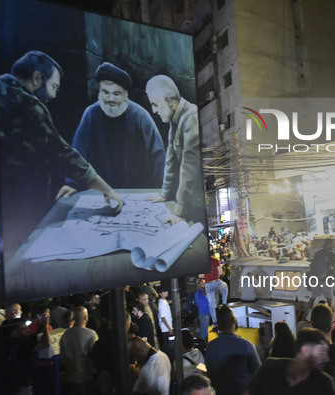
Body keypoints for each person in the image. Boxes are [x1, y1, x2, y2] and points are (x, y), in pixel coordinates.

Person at [0, 51, 124, 256]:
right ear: (38, 78)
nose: (54, 95)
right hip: (23, 211)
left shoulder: (1, 88)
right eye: (53, 86)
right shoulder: (27, 104)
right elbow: (63, 155)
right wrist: (108, 190)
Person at [65, 62, 165, 190]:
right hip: (98, 191)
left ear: (126, 94)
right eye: (106, 92)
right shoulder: (90, 114)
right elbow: (79, 153)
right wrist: (73, 184)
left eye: (116, 94)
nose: (110, 99)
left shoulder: (141, 117)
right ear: (99, 91)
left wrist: (162, 190)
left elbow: (158, 159)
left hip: (137, 192)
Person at [145, 74, 205, 224]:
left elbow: (189, 166)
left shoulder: (191, 116)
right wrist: (165, 193)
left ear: (167, 101)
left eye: (155, 104)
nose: (154, 111)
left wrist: (179, 211)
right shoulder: (175, 120)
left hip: (202, 202)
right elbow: (170, 160)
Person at [246, 328, 334, 395]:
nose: (326, 359)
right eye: (322, 352)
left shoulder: (324, 383)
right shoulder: (270, 368)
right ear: (306, 350)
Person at [205, 305, 261, 395]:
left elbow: (210, 375)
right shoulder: (246, 345)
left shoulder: (210, 347)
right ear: (235, 322)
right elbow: (259, 373)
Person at [59, 306, 98, 394]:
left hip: (71, 377)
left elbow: (62, 358)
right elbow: (95, 356)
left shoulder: (65, 335)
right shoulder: (91, 334)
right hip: (86, 378)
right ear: (85, 317)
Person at [307, 239, 335, 310]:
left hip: (316, 279)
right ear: (329, 244)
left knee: (313, 297)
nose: (333, 246)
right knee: (329, 298)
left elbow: (312, 265)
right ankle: (329, 314)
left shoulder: (318, 253)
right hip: (326, 279)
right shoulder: (331, 255)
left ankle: (308, 314)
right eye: (332, 244)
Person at [204, 251, 228, 324]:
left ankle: (214, 321)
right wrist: (215, 273)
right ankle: (224, 303)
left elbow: (200, 275)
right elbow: (220, 273)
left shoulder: (203, 263)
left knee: (211, 305)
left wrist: (207, 276)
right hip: (216, 282)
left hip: (208, 284)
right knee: (225, 287)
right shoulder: (216, 261)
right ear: (213, 255)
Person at [158, 285, 175, 361]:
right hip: (165, 329)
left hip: (167, 328)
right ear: (160, 294)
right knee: (167, 346)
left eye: (166, 291)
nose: (166, 293)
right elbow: (163, 317)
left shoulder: (164, 301)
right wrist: (169, 328)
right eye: (164, 292)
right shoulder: (161, 303)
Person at [194, 278, 211, 343]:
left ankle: (204, 343)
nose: (204, 284)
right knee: (204, 331)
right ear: (198, 284)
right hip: (203, 314)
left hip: (206, 313)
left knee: (205, 331)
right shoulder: (198, 291)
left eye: (205, 283)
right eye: (202, 283)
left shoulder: (203, 291)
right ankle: (202, 344)